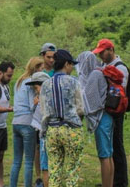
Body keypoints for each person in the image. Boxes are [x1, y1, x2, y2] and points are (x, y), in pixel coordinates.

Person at [40, 49, 85, 187]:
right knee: (72, 170)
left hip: (52, 130)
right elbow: (81, 108)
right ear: (66, 64)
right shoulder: (73, 82)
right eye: (71, 64)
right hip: (71, 129)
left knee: (54, 171)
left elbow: (44, 110)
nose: (72, 67)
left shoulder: (46, 84)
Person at [93, 38, 129, 187]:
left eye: (103, 52)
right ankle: (112, 181)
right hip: (106, 111)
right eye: (99, 53)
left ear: (111, 50)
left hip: (115, 111)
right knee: (110, 148)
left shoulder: (120, 68)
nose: (101, 55)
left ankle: (120, 182)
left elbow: (121, 92)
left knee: (117, 147)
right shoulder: (104, 65)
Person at [78, 51, 114, 187]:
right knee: (109, 154)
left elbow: (89, 100)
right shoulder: (101, 71)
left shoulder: (94, 74)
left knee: (104, 156)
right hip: (108, 117)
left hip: (101, 118)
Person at [10, 57, 43, 187]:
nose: (42, 71)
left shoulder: (18, 81)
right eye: (40, 69)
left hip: (16, 122)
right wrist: (38, 101)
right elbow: (31, 106)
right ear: (35, 68)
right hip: (27, 123)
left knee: (16, 160)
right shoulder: (31, 82)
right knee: (29, 161)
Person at [37, 42, 56, 186]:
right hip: (40, 115)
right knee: (39, 146)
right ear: (43, 55)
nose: (51, 60)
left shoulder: (57, 71)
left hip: (54, 116)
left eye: (53, 57)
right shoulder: (38, 73)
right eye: (48, 57)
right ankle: (39, 177)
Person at [26, 71, 50, 187]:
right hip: (42, 134)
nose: (35, 91)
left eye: (36, 87)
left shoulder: (46, 99)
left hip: (46, 135)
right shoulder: (40, 98)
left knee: (46, 165)